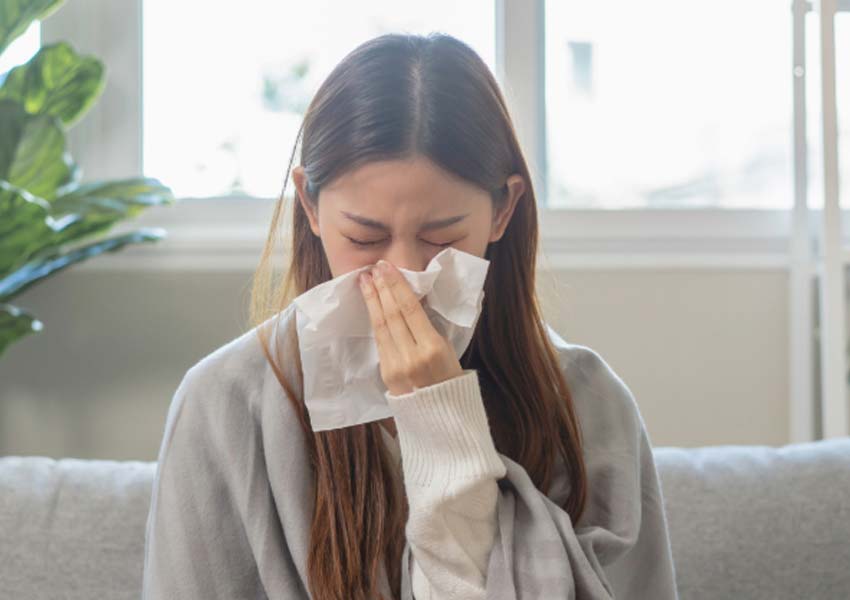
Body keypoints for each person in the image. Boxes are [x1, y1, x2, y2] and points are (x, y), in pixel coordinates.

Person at [141, 32, 679, 600]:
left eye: (441, 238)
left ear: (503, 210)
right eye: (365, 237)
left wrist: (444, 432)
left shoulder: (586, 402)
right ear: (309, 206)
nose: (401, 275)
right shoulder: (225, 403)